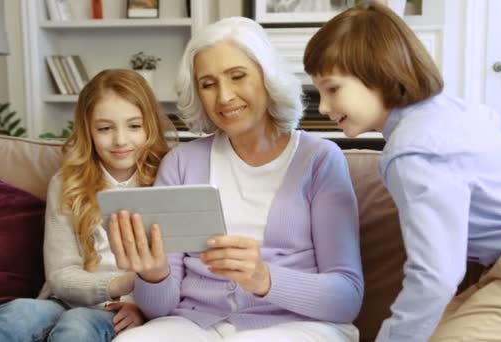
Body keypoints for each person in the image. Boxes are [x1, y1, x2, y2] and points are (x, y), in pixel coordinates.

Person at [303, 2, 501, 341]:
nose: (325, 107)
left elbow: (436, 273)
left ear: (380, 73)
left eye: (333, 89)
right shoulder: (445, 112)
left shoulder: (412, 150)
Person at [109, 16, 363, 342]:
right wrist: (153, 274)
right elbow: (160, 309)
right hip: (197, 324)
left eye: (237, 76)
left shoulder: (320, 160)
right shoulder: (181, 164)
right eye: (208, 83)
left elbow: (347, 297)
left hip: (299, 325)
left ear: (267, 78)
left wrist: (264, 278)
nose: (224, 96)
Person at [0, 69, 174, 341]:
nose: (120, 140)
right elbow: (60, 275)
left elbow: (176, 269)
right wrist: (123, 282)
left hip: (124, 308)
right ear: (88, 130)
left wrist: (142, 303)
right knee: (19, 314)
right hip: (64, 300)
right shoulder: (67, 183)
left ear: (150, 125)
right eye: (105, 128)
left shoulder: (169, 178)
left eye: (134, 126)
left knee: (77, 326)